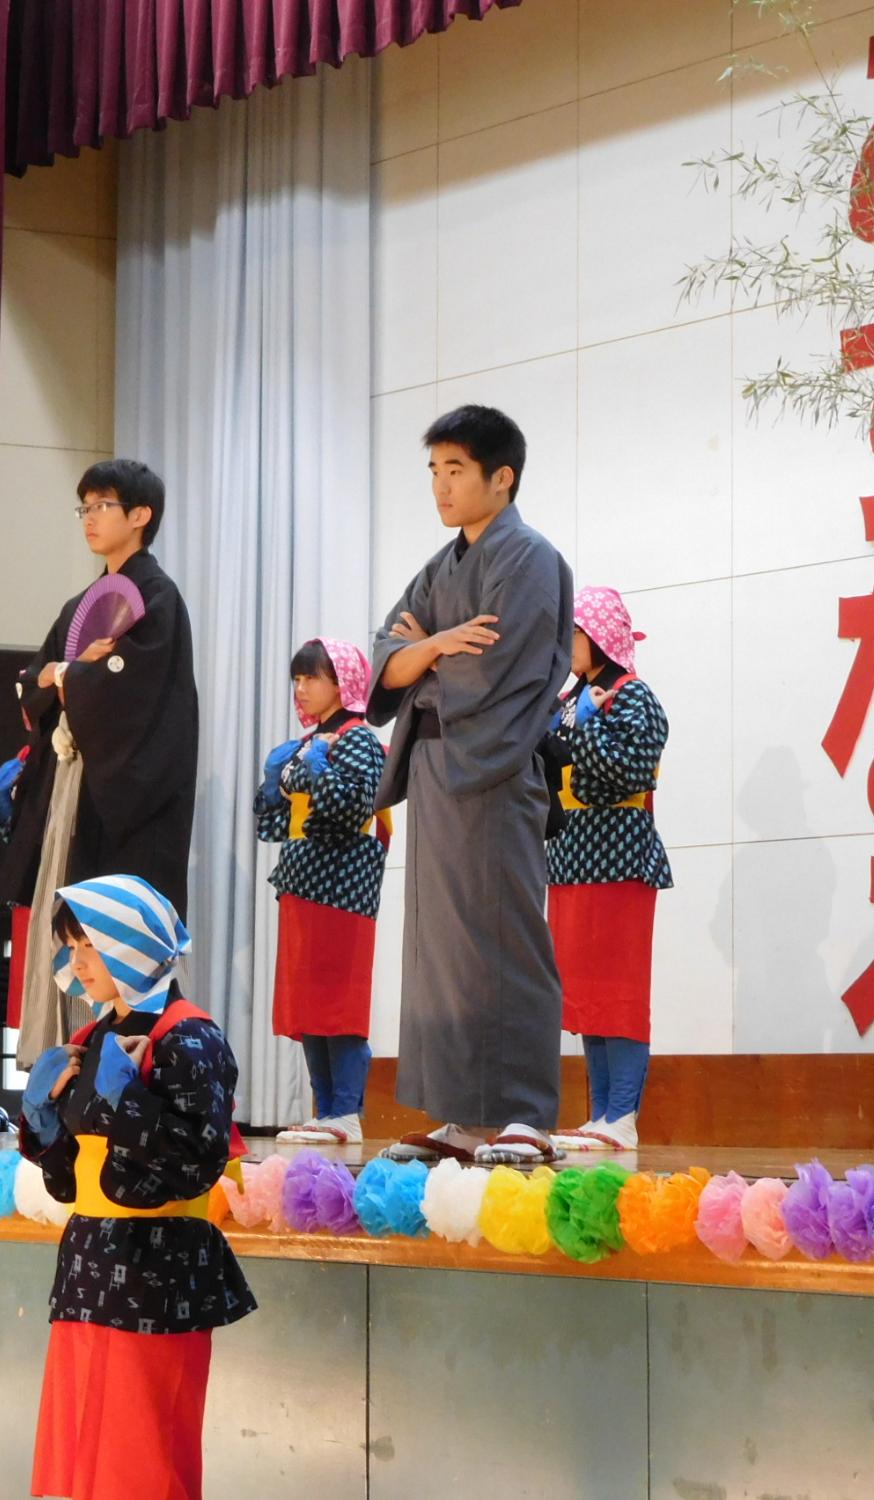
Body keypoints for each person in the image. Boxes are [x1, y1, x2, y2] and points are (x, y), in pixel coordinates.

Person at [368, 405, 573, 1166]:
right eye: (434, 470)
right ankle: (462, 1115)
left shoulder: (528, 560)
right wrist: (429, 650)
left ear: (502, 477)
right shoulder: (442, 564)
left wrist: (428, 657)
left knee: (505, 939)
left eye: (456, 470)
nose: (441, 486)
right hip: (437, 771)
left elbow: (495, 670)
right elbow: (385, 650)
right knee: (442, 948)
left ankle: (522, 1112)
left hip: (491, 767)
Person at [17, 875, 255, 1500]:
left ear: (129, 943)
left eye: (89, 945)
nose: (78, 962)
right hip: (87, 1272)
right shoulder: (88, 1040)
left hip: (159, 1280)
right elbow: (71, 1181)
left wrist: (117, 1106)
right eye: (71, 948)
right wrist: (43, 1127)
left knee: (144, 1463)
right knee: (74, 1462)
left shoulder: (192, 1037)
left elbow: (196, 1160)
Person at [0, 459, 200, 1065]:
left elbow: (130, 696)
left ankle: (153, 1070)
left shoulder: (158, 600)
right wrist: (67, 674)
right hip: (75, 788)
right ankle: (70, 1067)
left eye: (101, 506)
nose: (88, 518)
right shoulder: (81, 604)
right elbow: (35, 680)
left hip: (125, 800)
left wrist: (75, 678)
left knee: (123, 941)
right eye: (83, 507)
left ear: (140, 516)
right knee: (73, 932)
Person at [544, 588, 672, 1153]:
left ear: (596, 637)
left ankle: (622, 1115)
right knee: (585, 994)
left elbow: (627, 772)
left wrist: (588, 728)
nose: (564, 645)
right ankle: (598, 1115)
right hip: (571, 861)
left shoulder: (634, 697)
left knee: (618, 991)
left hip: (620, 860)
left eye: (571, 634)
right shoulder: (572, 699)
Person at [255, 638, 389, 1145]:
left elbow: (353, 810)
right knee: (309, 1000)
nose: (302, 688)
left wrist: (316, 776)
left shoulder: (359, 739)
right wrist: (272, 786)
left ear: (342, 683)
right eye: (298, 678)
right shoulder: (308, 741)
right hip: (301, 884)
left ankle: (347, 1112)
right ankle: (325, 1110)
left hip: (343, 886)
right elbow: (274, 825)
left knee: (339, 998)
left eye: (312, 677)